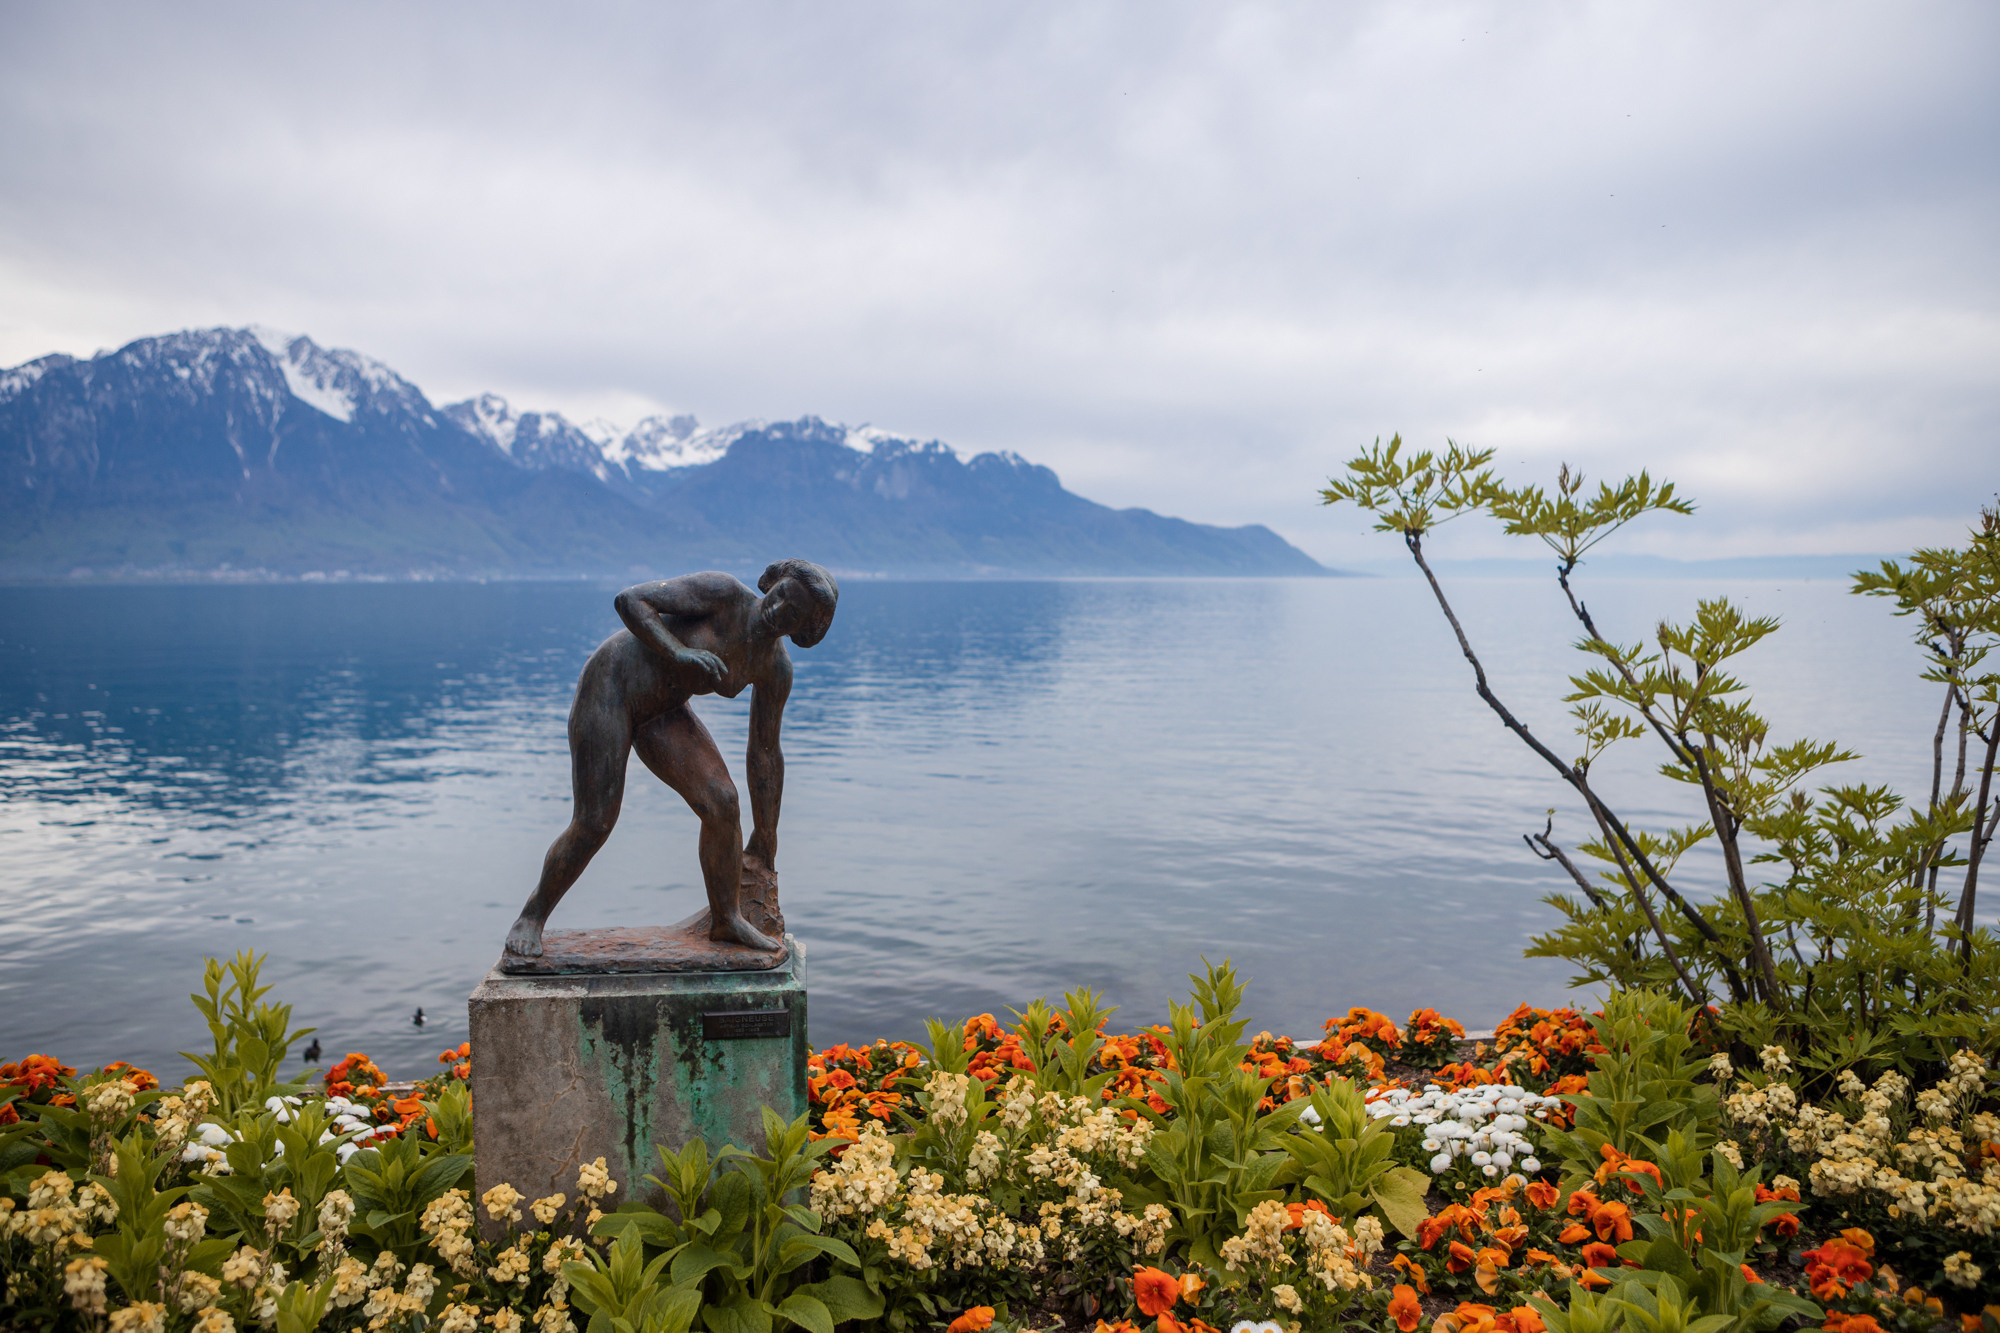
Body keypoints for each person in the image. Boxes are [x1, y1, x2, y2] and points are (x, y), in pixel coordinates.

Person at [504, 559, 838, 958]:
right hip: (611, 686)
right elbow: (630, 601)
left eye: (794, 614)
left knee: (723, 804)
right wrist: (678, 652)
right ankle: (531, 916)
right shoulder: (723, 594)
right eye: (781, 595)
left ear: (803, 629)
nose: (778, 609)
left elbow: (765, 753)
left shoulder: (774, 667)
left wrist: (767, 836)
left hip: (662, 711)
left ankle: (726, 919)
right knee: (595, 821)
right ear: (774, 583)